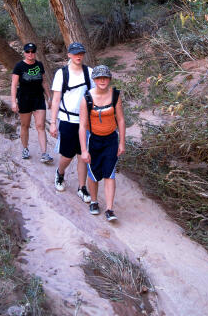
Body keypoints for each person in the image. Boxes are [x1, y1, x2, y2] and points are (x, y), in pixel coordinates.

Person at [79, 65, 125, 222]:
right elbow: (82, 126)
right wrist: (84, 150)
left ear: (109, 79)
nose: (102, 80)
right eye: (99, 78)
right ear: (94, 80)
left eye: (105, 77)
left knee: (109, 173)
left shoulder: (115, 96)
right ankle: (94, 201)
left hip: (111, 139)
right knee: (93, 173)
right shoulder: (87, 98)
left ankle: (110, 209)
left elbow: (120, 119)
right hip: (93, 139)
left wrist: (122, 142)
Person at [50, 42, 94, 202]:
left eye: (81, 53)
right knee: (67, 155)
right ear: (69, 55)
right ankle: (60, 173)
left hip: (86, 122)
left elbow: (95, 96)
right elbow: (55, 100)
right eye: (75, 53)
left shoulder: (89, 72)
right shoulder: (62, 74)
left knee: (83, 155)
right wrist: (53, 123)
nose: (78, 56)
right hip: (68, 120)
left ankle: (82, 188)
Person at [11, 43, 53, 163]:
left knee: (40, 125)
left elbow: (44, 82)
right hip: (24, 99)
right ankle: (25, 148)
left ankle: (44, 153)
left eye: (32, 51)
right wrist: (14, 101)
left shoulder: (39, 65)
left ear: (35, 52)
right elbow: (14, 85)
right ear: (24, 53)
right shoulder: (19, 66)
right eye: (28, 52)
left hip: (38, 98)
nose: (30, 54)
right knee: (25, 125)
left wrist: (49, 97)